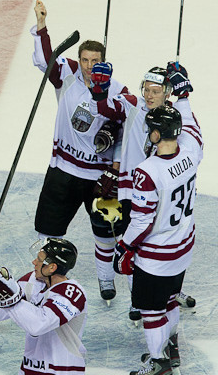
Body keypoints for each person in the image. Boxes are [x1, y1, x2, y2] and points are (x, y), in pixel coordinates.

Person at [29, 0, 129, 294]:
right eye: (84, 60)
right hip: (63, 171)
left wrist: (116, 168)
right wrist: (42, 26)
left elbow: (126, 133)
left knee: (108, 233)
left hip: (101, 179)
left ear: (104, 62)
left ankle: (106, 278)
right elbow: (45, 58)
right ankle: (43, 278)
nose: (88, 66)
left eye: (94, 61)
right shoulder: (68, 75)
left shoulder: (119, 91)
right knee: (48, 230)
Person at [88, 63, 198, 318]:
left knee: (173, 241)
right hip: (133, 191)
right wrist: (100, 90)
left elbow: (192, 143)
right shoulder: (132, 104)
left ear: (167, 93)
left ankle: (171, 291)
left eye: (155, 90)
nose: (149, 95)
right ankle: (137, 300)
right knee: (137, 247)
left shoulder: (174, 118)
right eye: (146, 89)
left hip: (167, 192)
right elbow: (105, 108)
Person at [114, 105, 202, 375]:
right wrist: (185, 99)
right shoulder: (189, 154)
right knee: (171, 299)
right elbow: (195, 132)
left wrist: (124, 246)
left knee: (151, 310)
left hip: (157, 255)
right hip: (184, 245)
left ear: (156, 133)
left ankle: (158, 362)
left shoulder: (147, 171)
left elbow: (142, 220)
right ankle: (168, 347)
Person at [0, 238, 87, 374]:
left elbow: (39, 325)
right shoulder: (32, 281)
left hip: (63, 371)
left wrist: (11, 299)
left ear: (52, 267)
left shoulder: (72, 293)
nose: (34, 262)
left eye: (39, 260)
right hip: (30, 368)